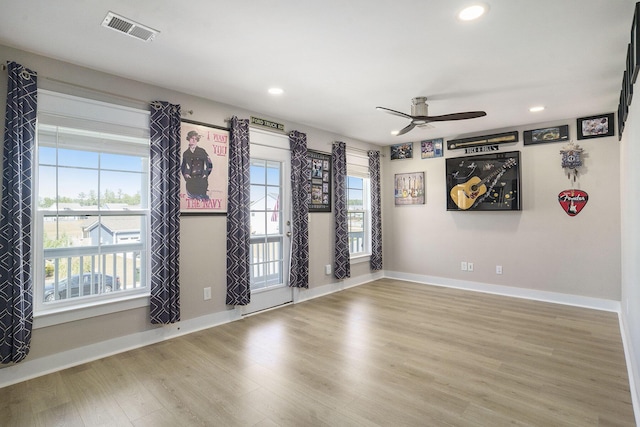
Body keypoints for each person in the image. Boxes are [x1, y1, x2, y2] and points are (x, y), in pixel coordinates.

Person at [181, 130, 213, 200]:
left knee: (203, 201)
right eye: (192, 138)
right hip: (190, 182)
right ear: (188, 139)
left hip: (201, 182)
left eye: (195, 139)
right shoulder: (186, 153)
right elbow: (183, 167)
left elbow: (209, 164)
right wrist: (186, 175)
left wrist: (205, 174)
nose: (194, 140)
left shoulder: (202, 151)